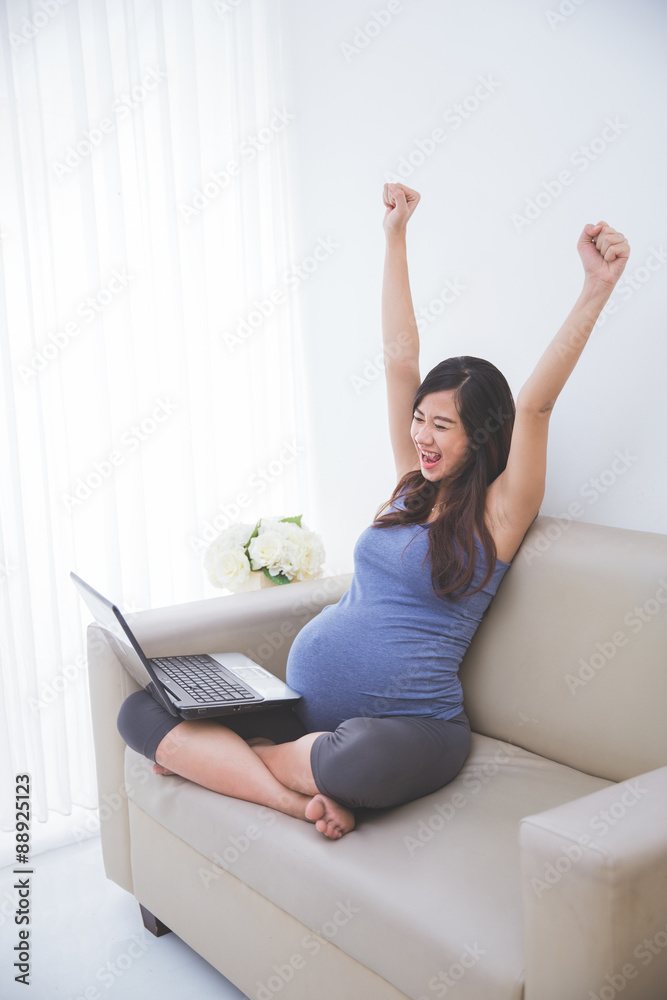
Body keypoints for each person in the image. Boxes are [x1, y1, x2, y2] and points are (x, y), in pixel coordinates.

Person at [117, 183, 630, 840]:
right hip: (307, 716)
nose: (421, 434)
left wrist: (594, 289)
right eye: (419, 418)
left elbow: (534, 405)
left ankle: (230, 765)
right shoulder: (406, 487)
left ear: (481, 436)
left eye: (441, 424)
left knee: (352, 761)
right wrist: (394, 237)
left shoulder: (500, 516)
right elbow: (399, 362)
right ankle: (294, 798)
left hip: (412, 730)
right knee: (141, 713)